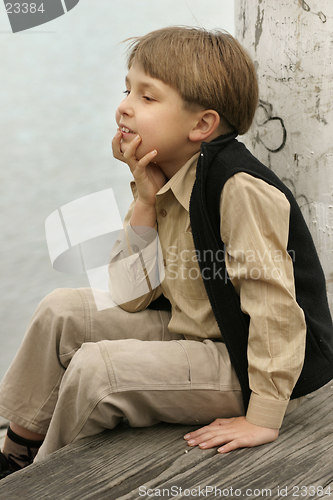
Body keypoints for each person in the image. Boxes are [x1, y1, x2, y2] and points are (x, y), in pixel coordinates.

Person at [1, 26, 333, 479]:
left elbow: (276, 308)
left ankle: (38, 479)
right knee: (61, 311)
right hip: (190, 334)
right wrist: (145, 200)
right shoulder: (167, 177)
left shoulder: (237, 189)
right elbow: (131, 295)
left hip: (242, 364)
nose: (125, 105)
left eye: (148, 97)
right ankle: (16, 450)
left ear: (202, 125)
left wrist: (263, 415)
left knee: (98, 369)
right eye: (127, 89)